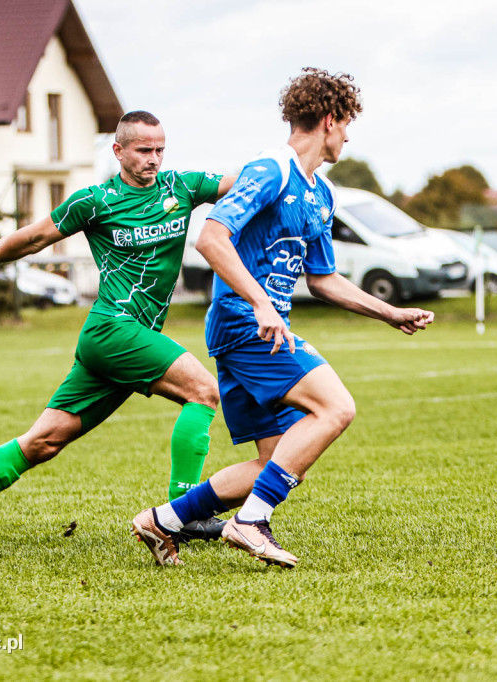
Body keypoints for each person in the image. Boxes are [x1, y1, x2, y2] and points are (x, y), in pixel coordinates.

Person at [129, 68, 435, 568]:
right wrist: (261, 303)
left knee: (272, 462)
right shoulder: (269, 169)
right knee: (336, 408)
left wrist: (388, 312)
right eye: (347, 123)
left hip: (254, 328)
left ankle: (161, 521)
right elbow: (210, 237)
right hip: (245, 324)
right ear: (330, 120)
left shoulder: (321, 192)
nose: (349, 136)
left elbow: (323, 278)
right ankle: (250, 523)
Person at [0, 111, 236, 552]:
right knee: (203, 390)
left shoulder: (182, 186)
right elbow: (32, 238)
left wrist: (289, 166)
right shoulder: (94, 200)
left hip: (128, 341)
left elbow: (244, 182)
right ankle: (184, 513)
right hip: (112, 330)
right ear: (118, 151)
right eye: (144, 150)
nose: (154, 159)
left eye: (160, 149)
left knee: (43, 442)